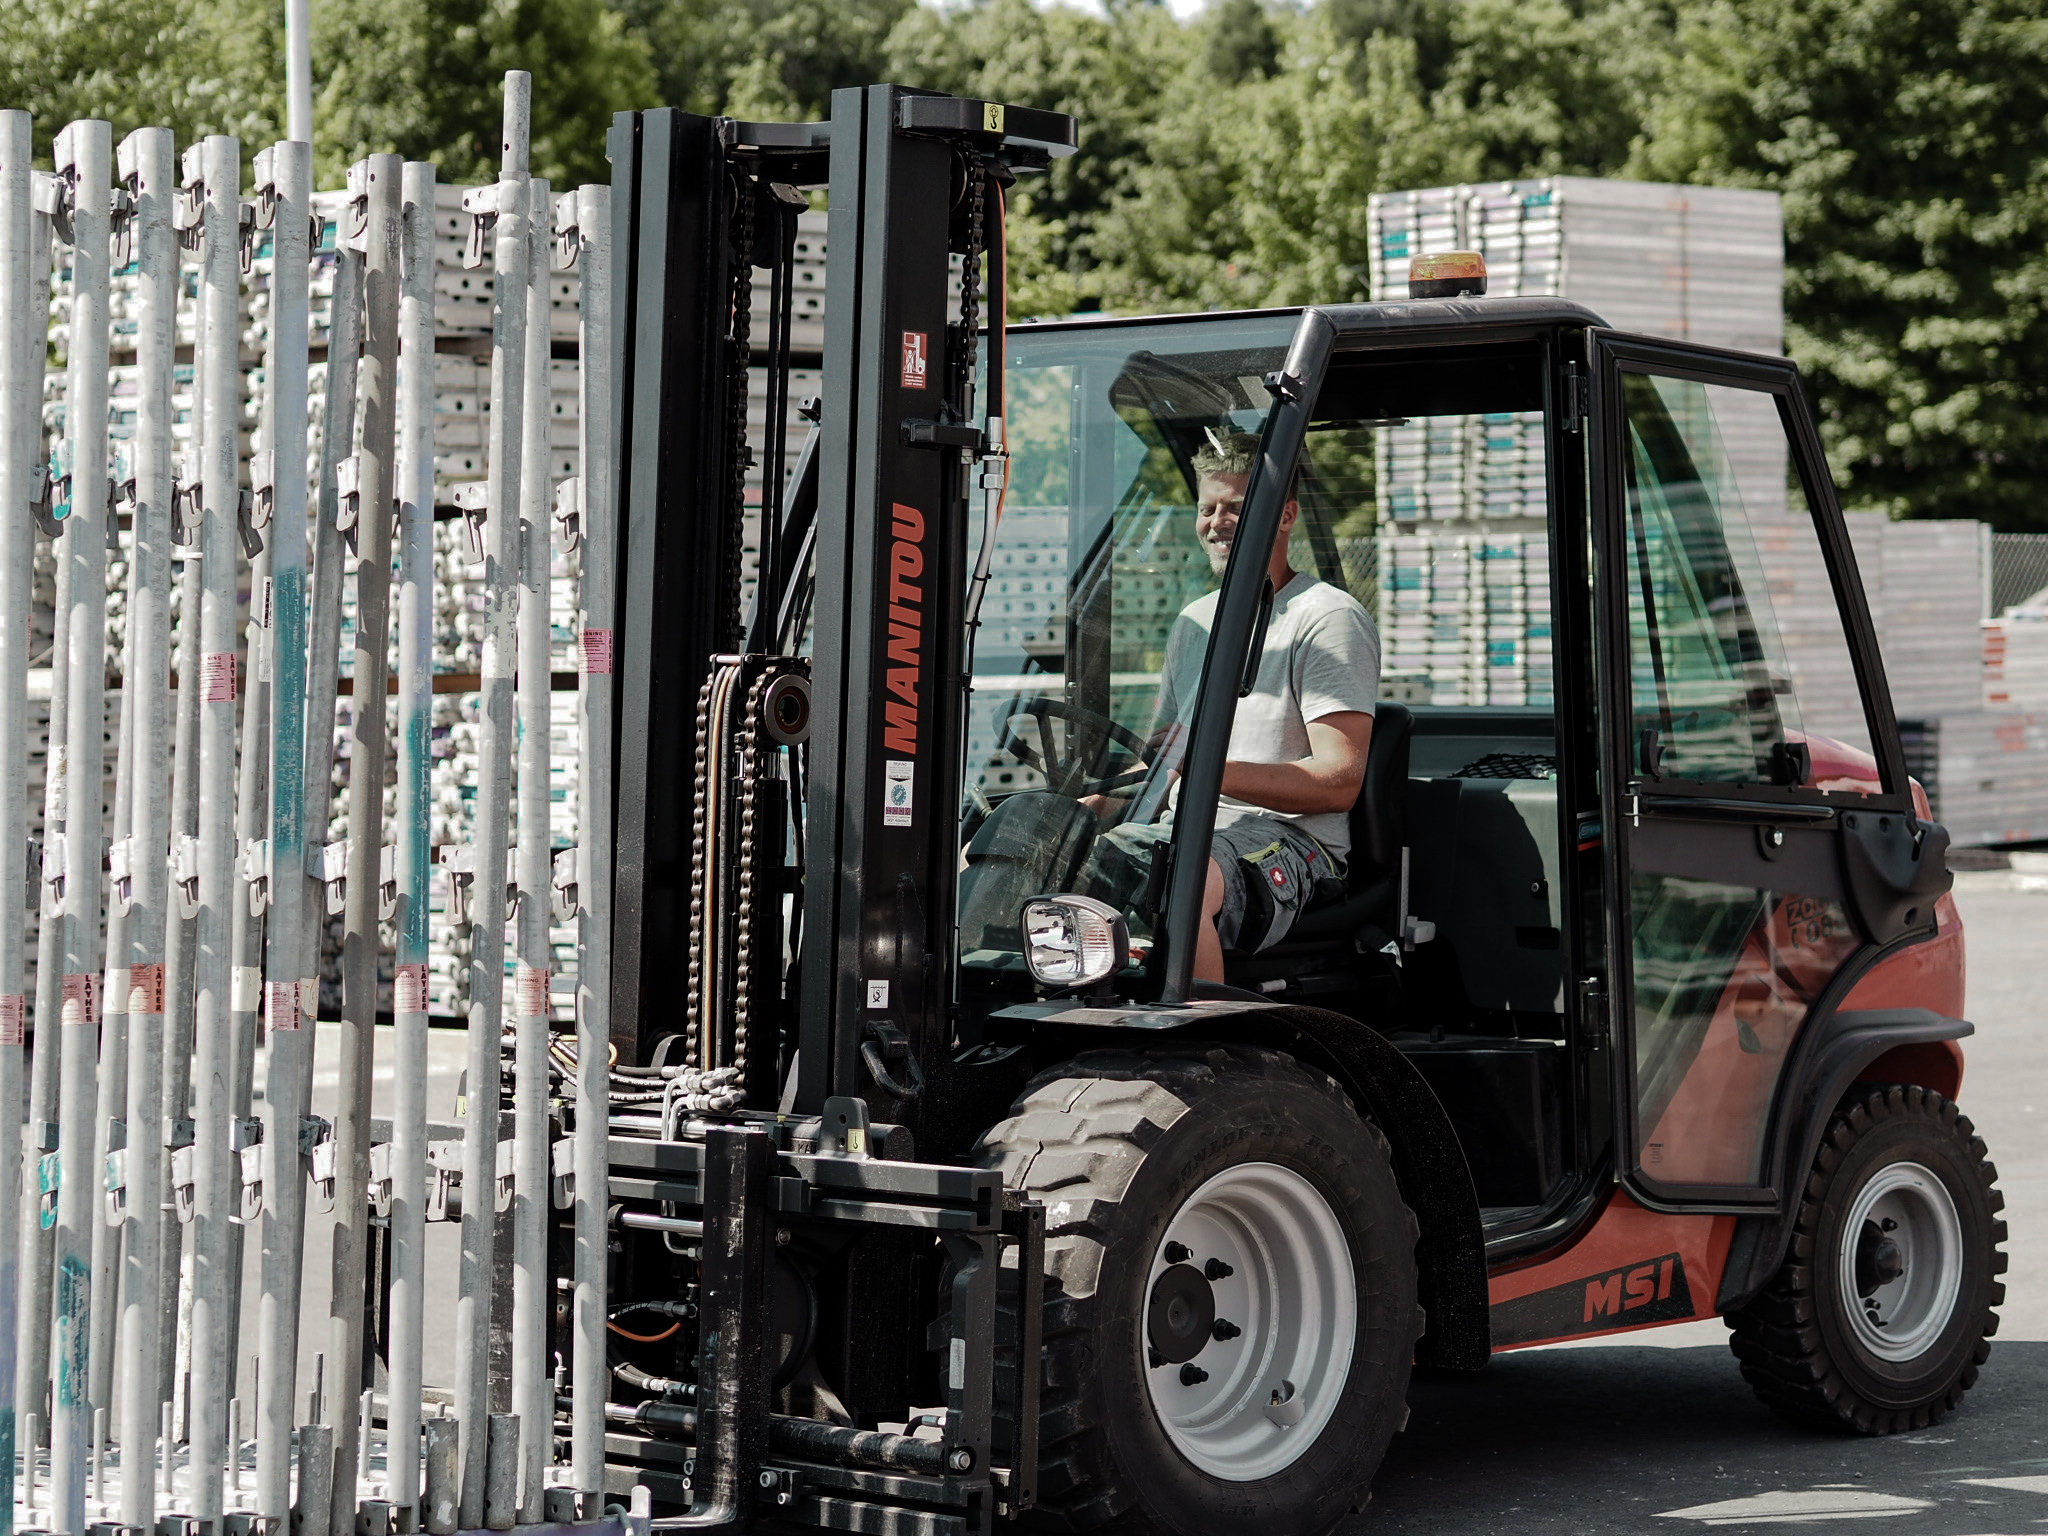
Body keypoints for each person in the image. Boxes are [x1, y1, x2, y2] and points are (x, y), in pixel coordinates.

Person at [1086, 431, 1381, 982]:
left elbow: (1337, 781)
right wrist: (1080, 807)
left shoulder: (1325, 619)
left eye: (1236, 508)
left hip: (1293, 838)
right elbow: (1164, 761)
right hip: (1188, 823)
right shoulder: (1195, 621)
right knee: (1027, 849)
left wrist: (1209, 772)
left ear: (1286, 513)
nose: (1217, 522)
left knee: (1177, 882)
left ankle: (1201, 1048)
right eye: (1207, 508)